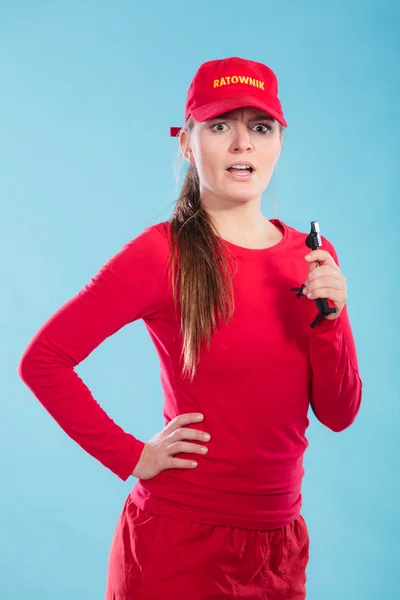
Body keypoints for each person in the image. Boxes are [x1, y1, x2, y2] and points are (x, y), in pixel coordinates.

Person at [17, 56, 363, 599]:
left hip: (279, 544)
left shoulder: (312, 256)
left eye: (260, 127)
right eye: (221, 125)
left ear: (278, 144)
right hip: (177, 545)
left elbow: (339, 414)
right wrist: (133, 456)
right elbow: (42, 361)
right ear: (187, 144)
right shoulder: (161, 254)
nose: (242, 144)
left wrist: (331, 322)